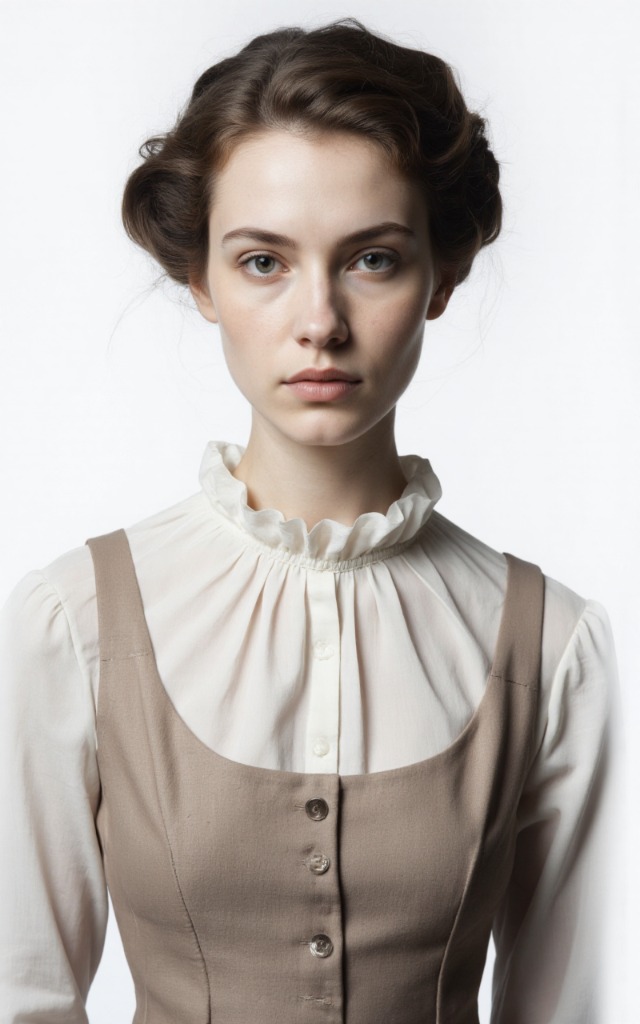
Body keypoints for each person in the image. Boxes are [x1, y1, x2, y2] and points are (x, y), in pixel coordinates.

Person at [0, 18, 616, 1024]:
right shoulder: (72, 625)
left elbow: (569, 1009)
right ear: (197, 278)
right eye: (262, 262)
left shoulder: (556, 648)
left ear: (441, 277)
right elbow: (19, 995)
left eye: (371, 259)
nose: (318, 319)